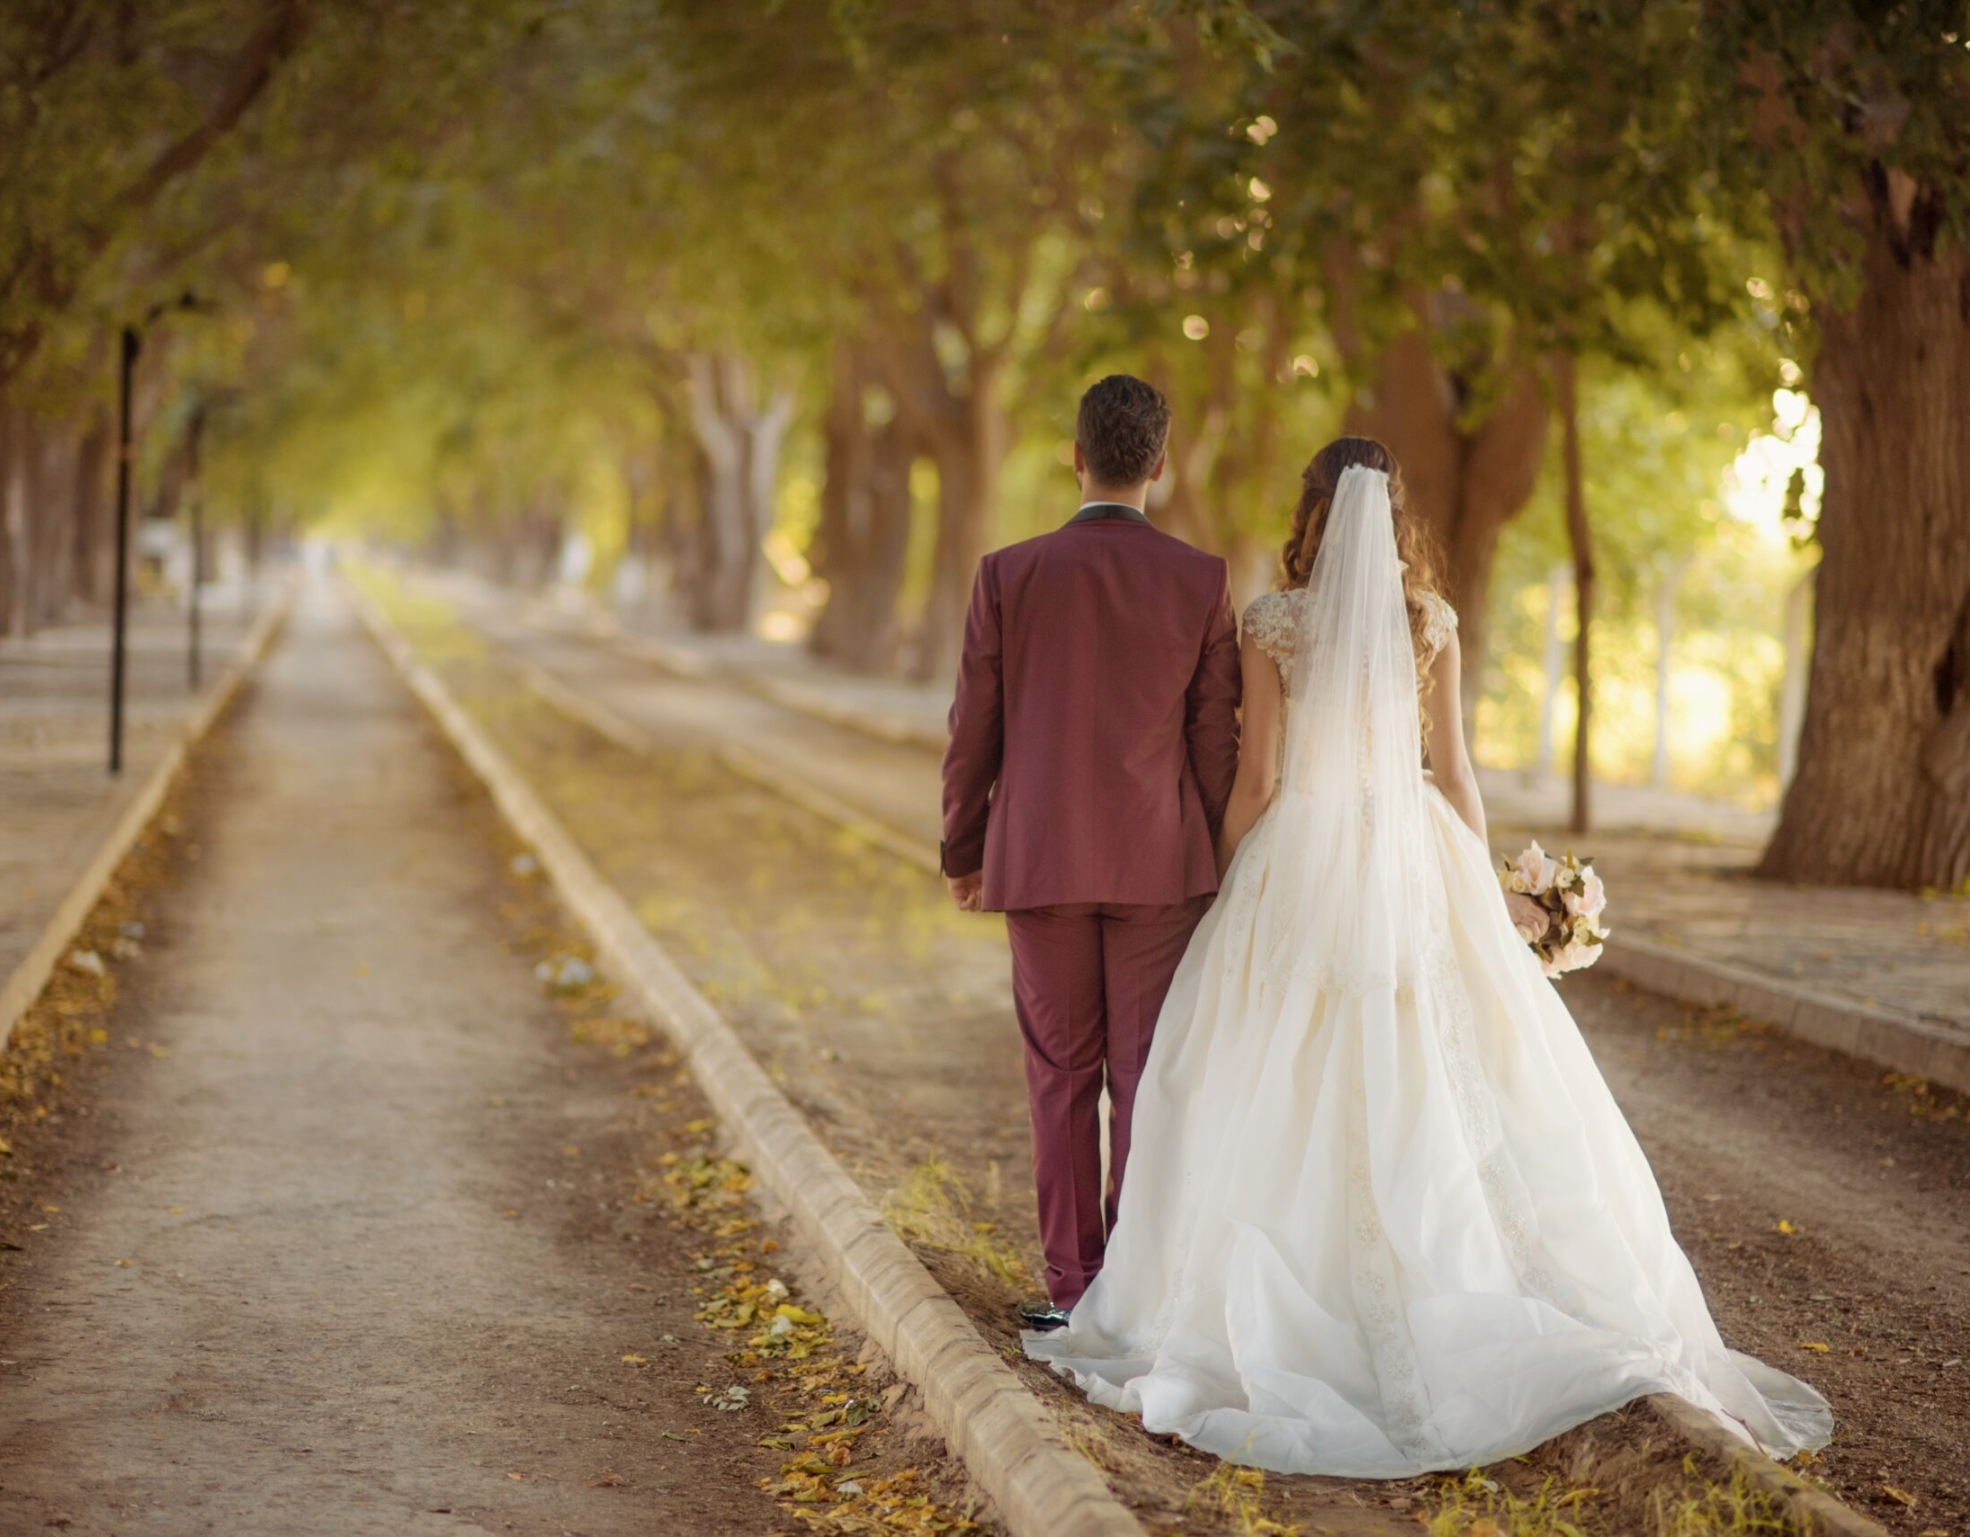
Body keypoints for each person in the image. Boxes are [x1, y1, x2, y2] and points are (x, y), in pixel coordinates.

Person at [1021, 437, 1834, 1475]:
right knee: (1441, 1065)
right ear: (1393, 515)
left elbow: (1259, 779)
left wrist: (1227, 883)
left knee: (1264, 1066)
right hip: (1410, 856)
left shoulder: (1272, 623)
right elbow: (1452, 775)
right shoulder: (1429, 624)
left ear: (1310, 515)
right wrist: (1487, 889)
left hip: (1300, 856)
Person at [941, 374, 1241, 1329]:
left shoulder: (1008, 573)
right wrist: (1224, 860)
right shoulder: (1201, 580)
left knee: (1061, 1076)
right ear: (1161, 463)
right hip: (1161, 868)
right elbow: (1213, 742)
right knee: (1147, 1076)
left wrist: (963, 848)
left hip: (1038, 859)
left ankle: (1075, 1290)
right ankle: (1137, 1293)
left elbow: (972, 727)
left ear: (1076, 458)